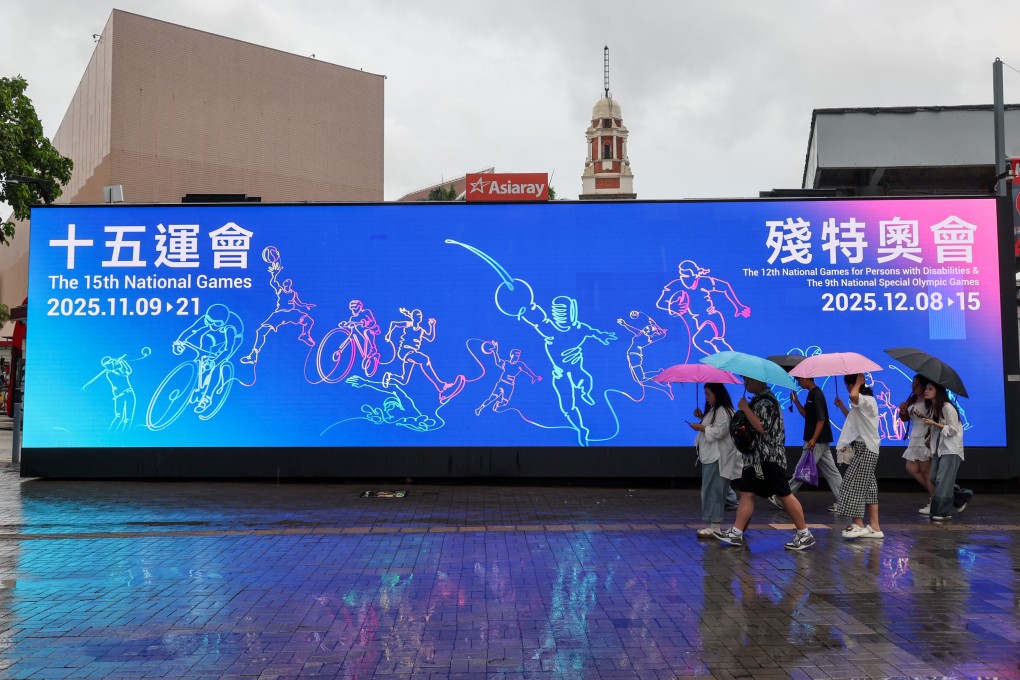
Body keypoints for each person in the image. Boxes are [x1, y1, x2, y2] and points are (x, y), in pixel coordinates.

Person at [715, 375, 816, 551]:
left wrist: (745, 408)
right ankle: (737, 532)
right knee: (747, 493)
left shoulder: (767, 401)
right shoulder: (759, 400)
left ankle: (804, 533)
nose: (745, 384)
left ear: (757, 380)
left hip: (768, 458)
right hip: (755, 458)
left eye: (747, 380)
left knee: (784, 494)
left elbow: (762, 427)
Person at [770, 375, 842, 512]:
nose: (798, 383)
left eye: (799, 380)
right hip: (819, 440)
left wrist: (814, 439)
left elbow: (821, 419)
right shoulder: (811, 394)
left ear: (806, 379)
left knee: (801, 471)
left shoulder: (816, 394)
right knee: (831, 472)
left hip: (815, 441)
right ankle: (845, 502)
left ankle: (781, 498)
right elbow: (807, 415)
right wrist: (796, 401)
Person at [833, 373, 884, 539]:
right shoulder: (862, 403)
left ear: (850, 385)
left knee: (853, 484)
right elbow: (855, 420)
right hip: (865, 447)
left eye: (848, 384)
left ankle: (859, 523)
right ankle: (875, 527)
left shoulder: (867, 400)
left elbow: (853, 395)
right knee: (869, 488)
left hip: (867, 448)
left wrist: (858, 382)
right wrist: (841, 406)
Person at [689, 383, 740, 538]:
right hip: (712, 456)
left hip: (717, 456)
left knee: (713, 490)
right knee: (718, 489)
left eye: (708, 394)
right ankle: (735, 508)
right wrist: (702, 417)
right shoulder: (716, 410)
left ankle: (715, 525)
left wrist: (701, 427)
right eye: (705, 394)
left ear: (718, 394)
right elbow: (715, 425)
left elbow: (719, 432)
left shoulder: (723, 411)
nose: (707, 397)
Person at [924, 382, 965, 522]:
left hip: (951, 449)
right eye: (926, 388)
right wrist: (929, 438)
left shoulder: (948, 407)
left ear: (938, 391)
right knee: (934, 478)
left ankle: (943, 512)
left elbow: (953, 429)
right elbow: (937, 430)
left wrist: (934, 424)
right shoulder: (933, 408)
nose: (926, 391)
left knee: (942, 480)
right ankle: (961, 497)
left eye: (930, 389)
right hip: (939, 448)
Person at [899, 374, 937, 514]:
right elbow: (905, 419)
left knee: (927, 471)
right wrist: (902, 410)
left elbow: (934, 418)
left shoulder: (930, 400)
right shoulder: (912, 399)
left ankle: (935, 501)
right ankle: (938, 496)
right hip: (914, 437)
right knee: (911, 467)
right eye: (912, 383)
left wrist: (924, 417)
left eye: (916, 384)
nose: (913, 386)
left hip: (925, 437)